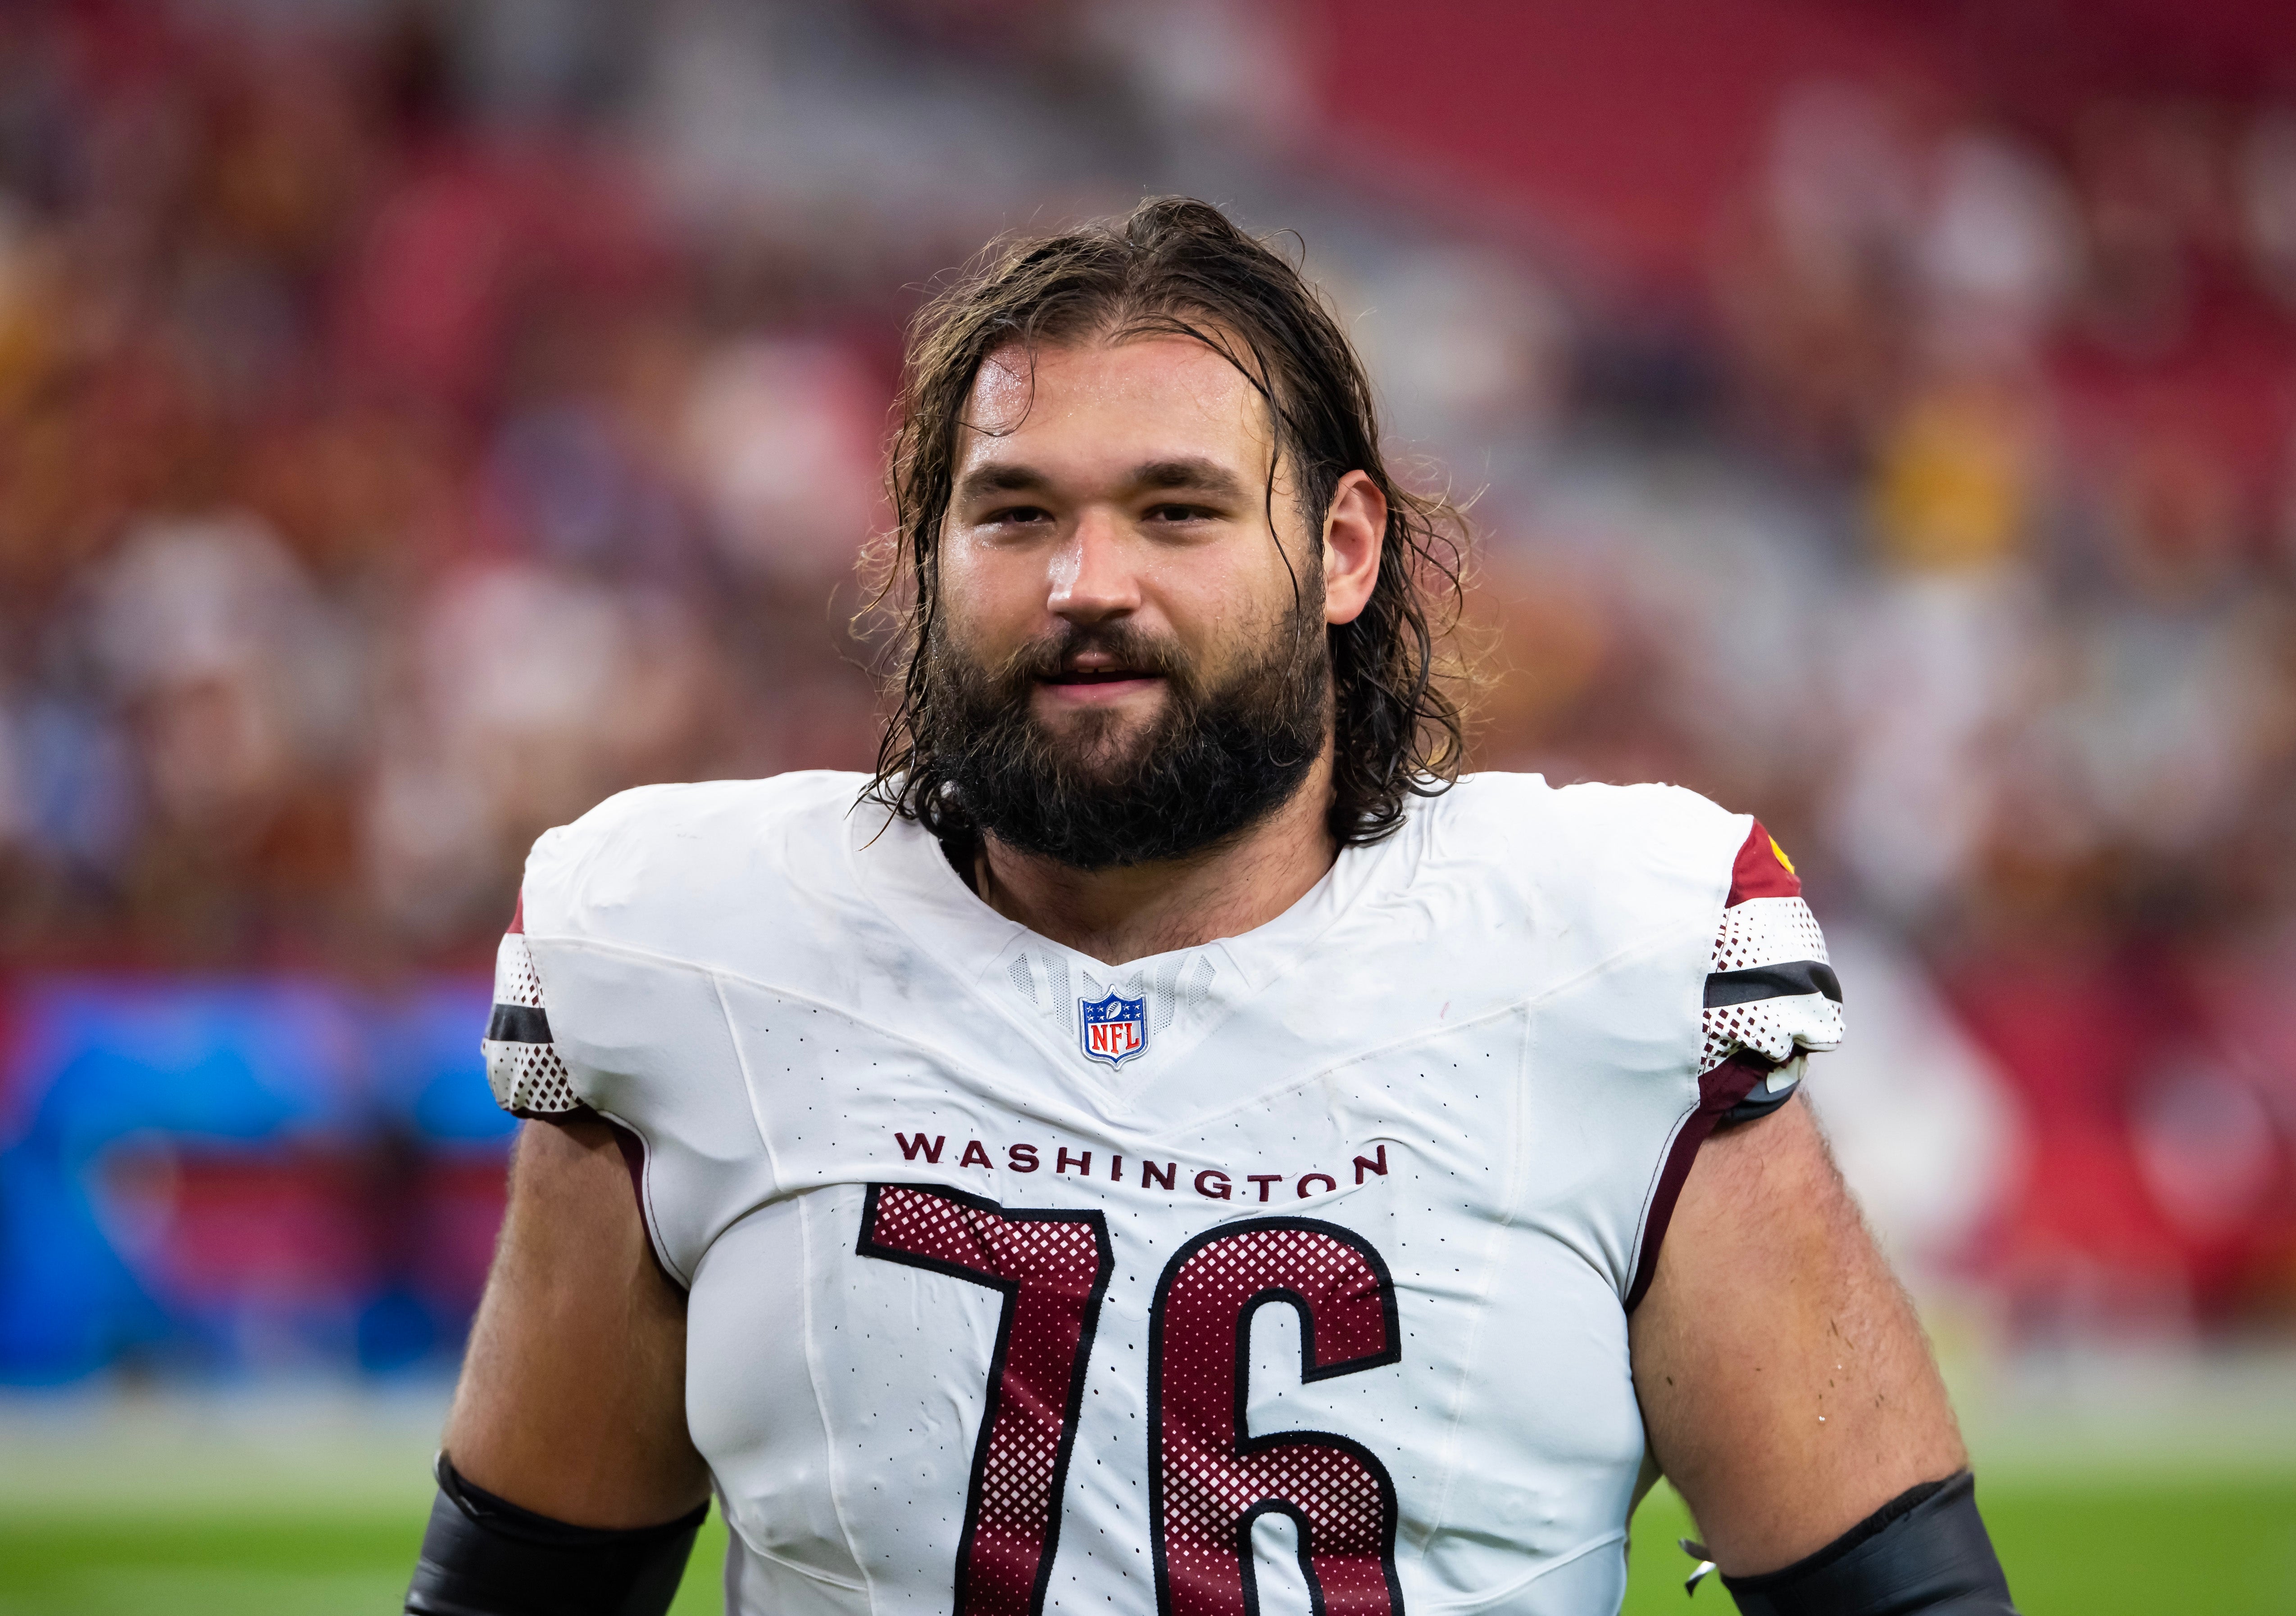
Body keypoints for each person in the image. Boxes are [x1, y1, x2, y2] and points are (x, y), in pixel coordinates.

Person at [407, 197, 2014, 1616]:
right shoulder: (699, 954)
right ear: (923, 558)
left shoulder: (1608, 959)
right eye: (1014, 512)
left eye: (1174, 510)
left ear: (1340, 548)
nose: (1084, 580)